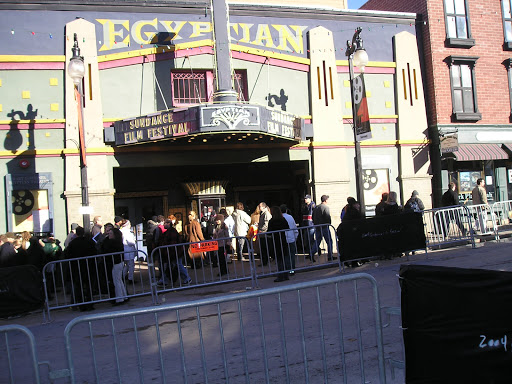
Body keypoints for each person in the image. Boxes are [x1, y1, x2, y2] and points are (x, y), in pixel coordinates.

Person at [65, 226, 97, 311]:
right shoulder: (89, 242)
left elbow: (68, 254)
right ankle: (90, 304)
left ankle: (81, 305)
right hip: (88, 267)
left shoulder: (73, 243)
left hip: (77, 268)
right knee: (89, 286)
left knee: (79, 287)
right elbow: (95, 252)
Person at [158, 216, 192, 286]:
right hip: (173, 253)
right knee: (170, 266)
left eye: (165, 223)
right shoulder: (169, 232)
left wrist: (169, 252)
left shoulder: (171, 232)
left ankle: (187, 278)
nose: (164, 225)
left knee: (178, 265)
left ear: (168, 223)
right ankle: (165, 280)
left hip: (174, 253)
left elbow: (172, 243)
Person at [101, 226, 128, 306]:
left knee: (117, 280)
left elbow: (106, 249)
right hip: (119, 262)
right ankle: (124, 296)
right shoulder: (117, 242)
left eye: (111, 233)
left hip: (116, 263)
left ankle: (120, 298)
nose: (109, 234)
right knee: (119, 280)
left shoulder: (113, 243)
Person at [268, 206, 291, 282]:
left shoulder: (272, 221)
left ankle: (281, 275)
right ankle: (285, 275)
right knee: (284, 257)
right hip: (283, 240)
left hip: (276, 241)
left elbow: (269, 231)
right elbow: (287, 227)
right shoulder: (283, 219)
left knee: (279, 259)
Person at [312, 195, 334, 260]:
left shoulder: (316, 207)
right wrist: (329, 223)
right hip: (324, 226)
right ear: (325, 200)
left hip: (317, 227)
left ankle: (311, 253)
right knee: (329, 241)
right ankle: (330, 256)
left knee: (317, 241)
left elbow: (313, 216)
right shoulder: (325, 207)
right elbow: (327, 217)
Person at [280, 204, 299, 274]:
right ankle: (292, 269)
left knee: (285, 255)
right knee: (291, 255)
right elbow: (294, 227)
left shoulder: (280, 217)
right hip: (291, 238)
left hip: (284, 239)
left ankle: (286, 269)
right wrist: (295, 236)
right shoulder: (290, 217)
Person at [301, 194, 317, 261]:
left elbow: (314, 214)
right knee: (307, 240)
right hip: (306, 225)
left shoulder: (312, 205)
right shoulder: (305, 206)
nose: (305, 200)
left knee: (310, 240)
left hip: (311, 225)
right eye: (305, 198)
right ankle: (311, 252)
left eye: (306, 198)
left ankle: (312, 253)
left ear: (310, 199)